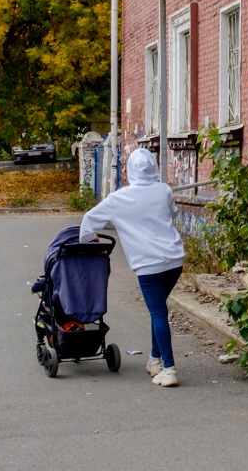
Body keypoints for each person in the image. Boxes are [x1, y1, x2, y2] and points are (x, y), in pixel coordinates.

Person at [79, 148, 185, 387]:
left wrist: (89, 239)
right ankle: (155, 361)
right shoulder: (164, 190)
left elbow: (88, 219)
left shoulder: (119, 199)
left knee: (158, 313)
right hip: (174, 260)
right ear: (154, 168)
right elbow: (173, 214)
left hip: (148, 265)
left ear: (130, 171)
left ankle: (169, 369)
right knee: (157, 311)